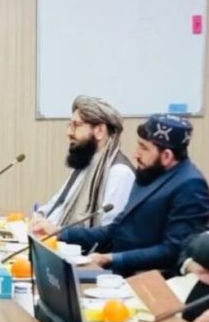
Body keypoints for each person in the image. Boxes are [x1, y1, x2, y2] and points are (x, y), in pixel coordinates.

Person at [57, 114, 209, 277]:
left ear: (166, 156)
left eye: (144, 148)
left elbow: (173, 250)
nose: (136, 154)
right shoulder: (149, 172)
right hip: (119, 272)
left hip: (151, 280)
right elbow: (115, 230)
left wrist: (111, 258)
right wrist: (61, 233)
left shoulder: (191, 185)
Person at [30, 95, 134, 231]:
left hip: (79, 244)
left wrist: (58, 232)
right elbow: (59, 203)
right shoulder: (86, 161)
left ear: (100, 130)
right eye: (70, 125)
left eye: (76, 125)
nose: (68, 133)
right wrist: (40, 215)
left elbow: (108, 231)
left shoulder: (120, 173)